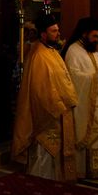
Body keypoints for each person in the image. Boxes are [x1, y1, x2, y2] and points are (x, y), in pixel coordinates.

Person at [12, 14, 79, 181]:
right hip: (47, 118)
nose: (58, 34)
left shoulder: (51, 51)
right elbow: (39, 92)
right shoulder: (38, 56)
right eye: (53, 31)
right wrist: (60, 106)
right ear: (43, 34)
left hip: (59, 115)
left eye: (58, 30)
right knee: (44, 161)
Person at [62, 17, 98, 179]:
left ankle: (96, 169)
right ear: (85, 34)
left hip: (96, 102)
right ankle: (82, 170)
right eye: (94, 36)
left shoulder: (92, 51)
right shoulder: (73, 51)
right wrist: (96, 77)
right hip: (82, 104)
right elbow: (73, 78)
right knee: (84, 136)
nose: (96, 39)